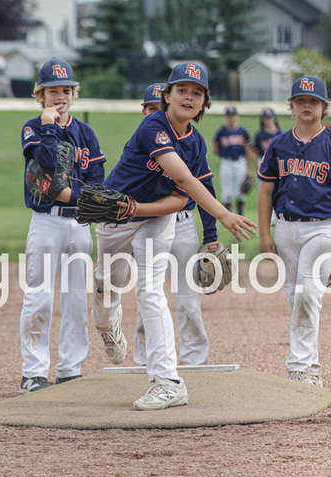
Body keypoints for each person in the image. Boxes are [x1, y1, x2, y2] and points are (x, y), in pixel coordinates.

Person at [93, 63, 256, 411]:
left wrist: (137, 210)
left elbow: (181, 197)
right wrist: (223, 213)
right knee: (105, 289)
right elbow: (181, 176)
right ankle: (108, 326)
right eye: (182, 89)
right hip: (112, 217)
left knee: (150, 290)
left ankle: (168, 381)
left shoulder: (196, 144)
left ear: (203, 105)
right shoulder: (153, 125)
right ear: (166, 96)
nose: (189, 96)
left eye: (197, 93)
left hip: (153, 218)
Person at [257, 76, 331, 387]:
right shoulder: (278, 144)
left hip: (323, 229)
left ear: (324, 107)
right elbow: (265, 193)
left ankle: (299, 367)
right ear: (291, 106)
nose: (307, 105)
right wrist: (265, 234)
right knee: (296, 296)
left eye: (313, 101)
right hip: (285, 228)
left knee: (306, 294)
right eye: (301, 100)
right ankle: (312, 365)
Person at [18, 57, 107, 394]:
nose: (60, 96)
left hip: (80, 224)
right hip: (46, 223)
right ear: (40, 95)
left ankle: (70, 369)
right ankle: (34, 372)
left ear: (74, 93)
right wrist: (49, 125)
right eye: (53, 91)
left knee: (75, 300)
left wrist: (83, 198)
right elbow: (48, 161)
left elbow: (97, 181)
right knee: (39, 298)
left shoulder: (86, 132)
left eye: (66, 90)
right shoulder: (32, 127)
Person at [133, 82, 217, 368]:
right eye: (153, 109)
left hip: (182, 224)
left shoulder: (191, 143)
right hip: (145, 223)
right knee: (148, 293)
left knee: (187, 297)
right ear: (145, 111)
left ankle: (195, 360)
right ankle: (145, 361)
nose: (158, 115)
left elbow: (204, 187)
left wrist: (212, 235)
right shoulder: (141, 144)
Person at [213, 105, 254, 215]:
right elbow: (215, 149)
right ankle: (227, 215)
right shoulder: (221, 131)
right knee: (227, 191)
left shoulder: (242, 131)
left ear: (237, 116)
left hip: (241, 162)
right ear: (225, 117)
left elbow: (248, 151)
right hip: (226, 162)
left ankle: (240, 215)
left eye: (233, 115)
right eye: (229, 116)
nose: (231, 118)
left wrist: (249, 170)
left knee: (240, 191)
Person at [252, 107, 283, 226]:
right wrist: (257, 168)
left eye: (270, 118)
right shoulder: (260, 135)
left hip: (277, 163)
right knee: (265, 192)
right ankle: (269, 220)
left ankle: (278, 218)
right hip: (263, 162)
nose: (268, 120)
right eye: (265, 118)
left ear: (274, 119)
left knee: (278, 192)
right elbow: (255, 153)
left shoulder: (280, 134)